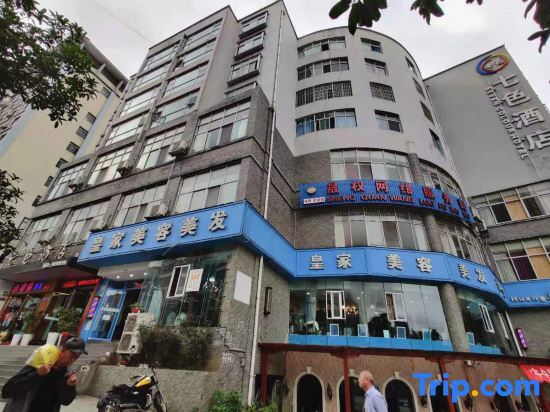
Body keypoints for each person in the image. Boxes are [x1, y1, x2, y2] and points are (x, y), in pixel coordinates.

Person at [1, 337, 87, 412]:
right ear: (63, 349)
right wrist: (37, 374)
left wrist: (69, 386)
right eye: (73, 354)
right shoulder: (38, 365)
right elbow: (7, 391)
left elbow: (65, 401)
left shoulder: (67, 374)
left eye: (77, 356)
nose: (73, 359)